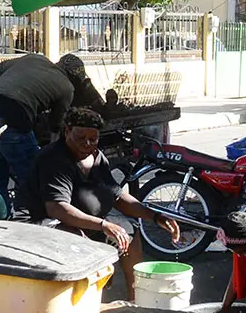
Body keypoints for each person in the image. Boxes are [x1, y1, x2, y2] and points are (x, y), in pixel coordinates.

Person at [23, 107, 180, 300]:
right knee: (78, 240)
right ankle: (85, 301)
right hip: (43, 222)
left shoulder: (97, 157)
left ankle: (136, 299)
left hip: (89, 221)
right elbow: (57, 208)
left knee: (129, 230)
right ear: (67, 131)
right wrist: (103, 225)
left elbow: (117, 196)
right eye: (80, 137)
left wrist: (154, 216)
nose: (87, 144)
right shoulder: (54, 159)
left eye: (93, 139)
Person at [0, 53, 94, 209]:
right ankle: (35, 218)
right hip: (13, 121)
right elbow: (56, 125)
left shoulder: (35, 58)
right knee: (34, 175)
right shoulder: (67, 88)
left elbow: (1, 67)